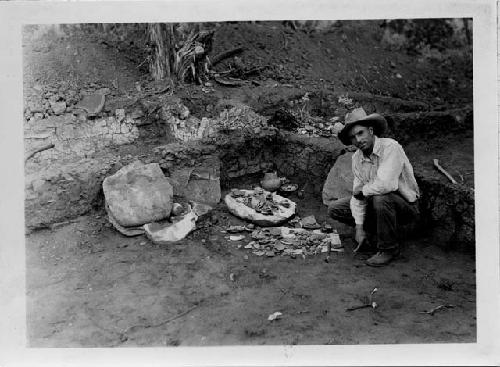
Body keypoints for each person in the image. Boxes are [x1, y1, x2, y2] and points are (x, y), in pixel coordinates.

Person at [328, 107, 420, 267]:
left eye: (360, 133)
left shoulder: (390, 147)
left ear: (371, 130)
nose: (357, 140)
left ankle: (389, 248)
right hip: (377, 202)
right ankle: (372, 232)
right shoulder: (357, 157)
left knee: (380, 197)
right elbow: (357, 195)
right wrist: (358, 228)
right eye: (353, 137)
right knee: (335, 208)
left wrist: (362, 191)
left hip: (406, 208)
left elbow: (386, 185)